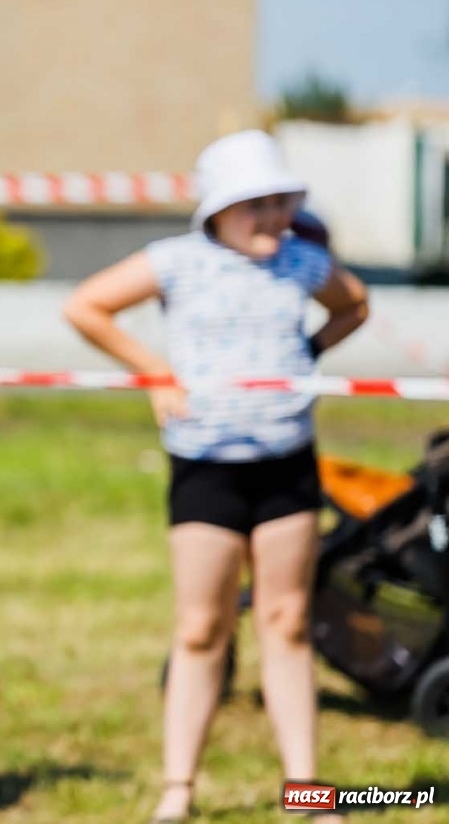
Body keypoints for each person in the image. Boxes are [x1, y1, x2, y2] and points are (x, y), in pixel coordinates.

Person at [63, 129, 368, 824]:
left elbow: (355, 305)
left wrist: (307, 349)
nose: (271, 217)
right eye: (252, 204)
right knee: (201, 629)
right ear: (217, 212)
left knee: (287, 623)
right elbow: (86, 305)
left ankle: (308, 794)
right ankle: (179, 791)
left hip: (288, 464)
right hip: (206, 467)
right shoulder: (176, 262)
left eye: (279, 201)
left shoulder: (303, 261)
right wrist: (154, 373)